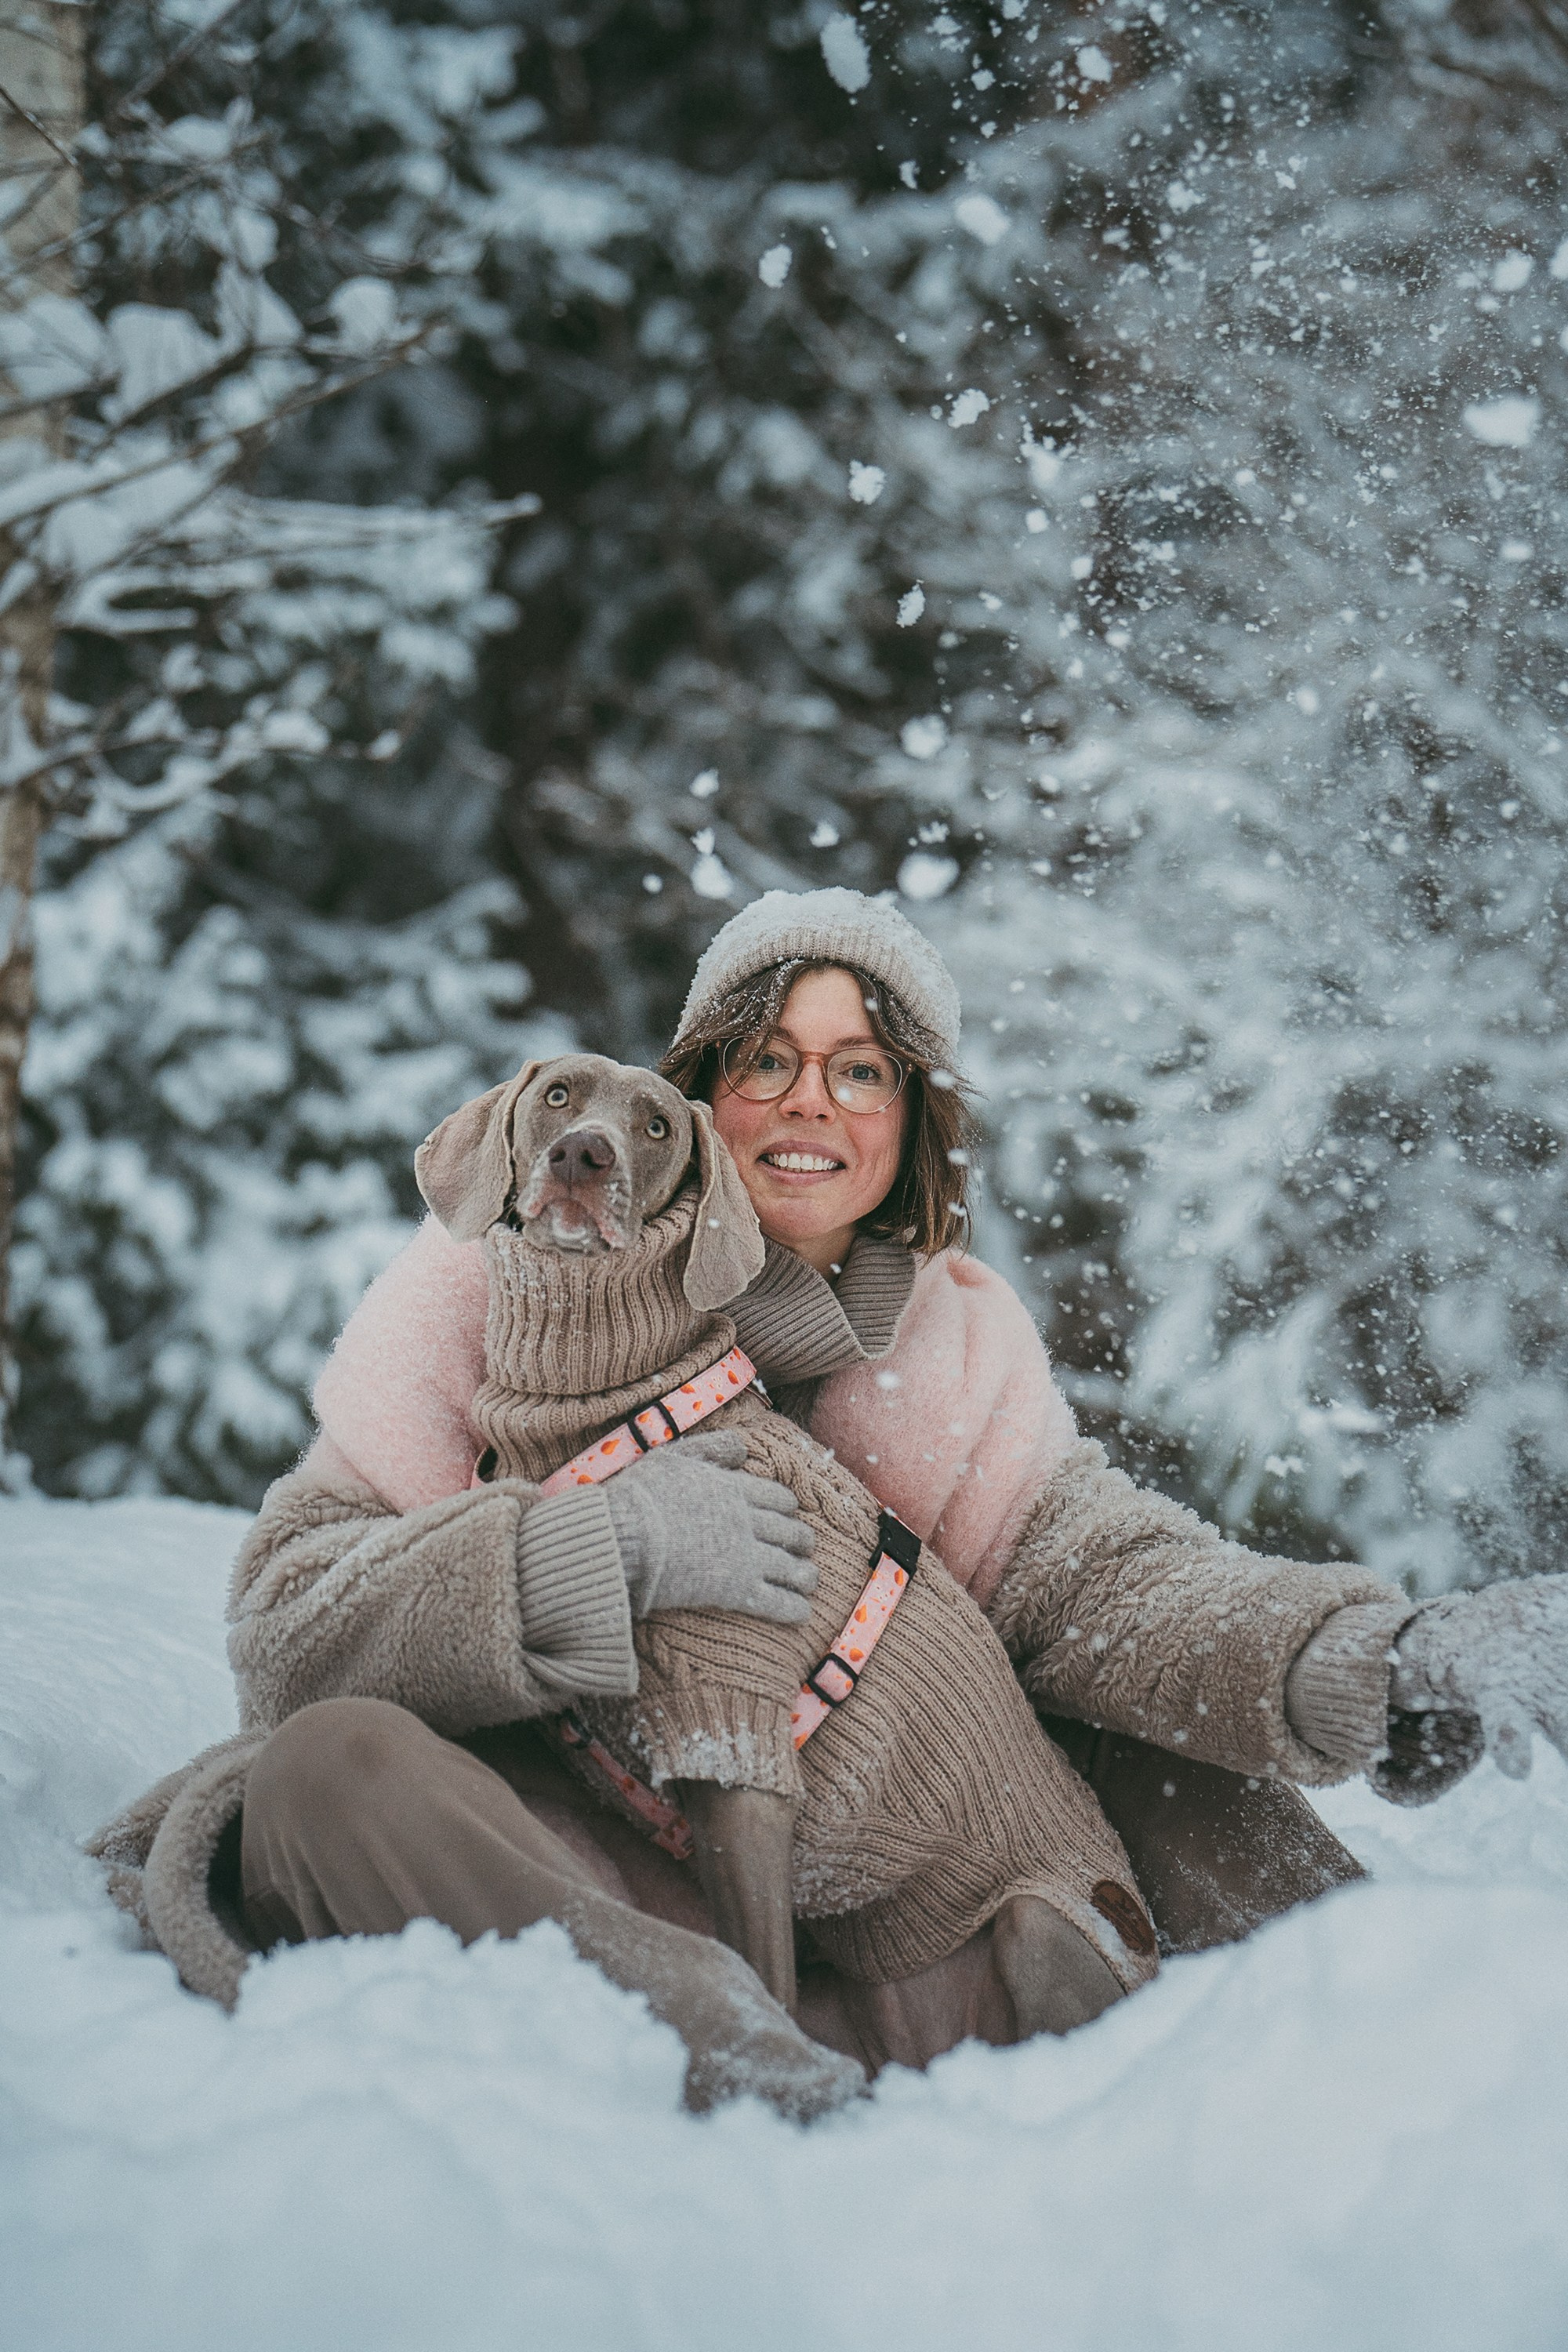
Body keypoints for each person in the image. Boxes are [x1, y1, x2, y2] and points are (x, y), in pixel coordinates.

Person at [93, 888, 1568, 2108]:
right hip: (597, 1900)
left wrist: (1379, 1657)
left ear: (910, 1129)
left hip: (939, 1947)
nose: (811, 1103)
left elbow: (1115, 1581)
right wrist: (568, 1552)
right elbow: (288, 1627)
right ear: (689, 1103)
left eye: (861, 1069)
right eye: (766, 1063)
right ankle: (726, 2050)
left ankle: (1394, 2049)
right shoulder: (491, 1290)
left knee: (1135, 1722)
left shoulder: (948, 1347)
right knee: (325, 1768)